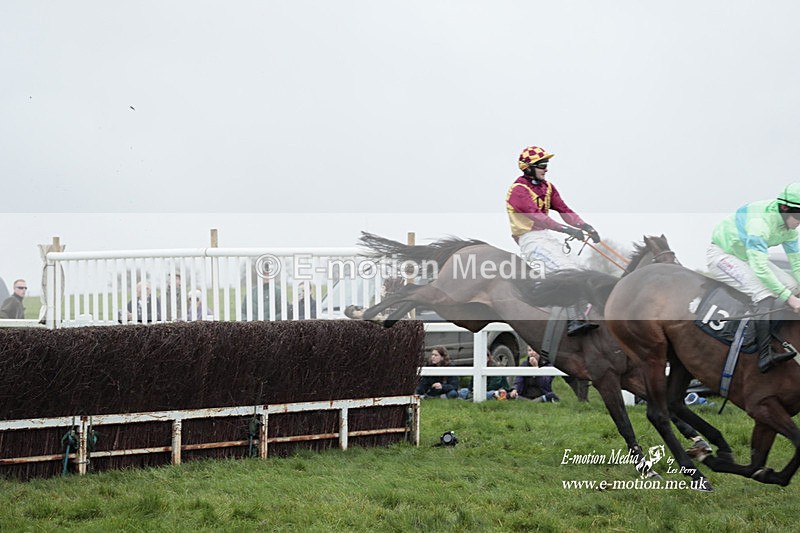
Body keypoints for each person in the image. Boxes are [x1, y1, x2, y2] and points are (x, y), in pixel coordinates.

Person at [505, 145, 600, 336]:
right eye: (542, 165)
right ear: (529, 167)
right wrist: (566, 229)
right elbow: (539, 217)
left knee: (582, 271)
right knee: (568, 272)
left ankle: (586, 314)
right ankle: (571, 321)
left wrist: (585, 226)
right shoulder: (518, 190)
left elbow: (564, 209)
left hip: (546, 236)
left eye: (546, 164)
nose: (546, 168)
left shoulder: (547, 187)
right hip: (529, 239)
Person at [707, 183, 800, 372]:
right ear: (784, 208)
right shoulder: (760, 224)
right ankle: (764, 355)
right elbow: (760, 269)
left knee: (792, 285)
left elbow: (796, 264)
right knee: (765, 293)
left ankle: (776, 335)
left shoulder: (789, 228)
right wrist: (789, 299)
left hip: (746, 256)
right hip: (722, 255)